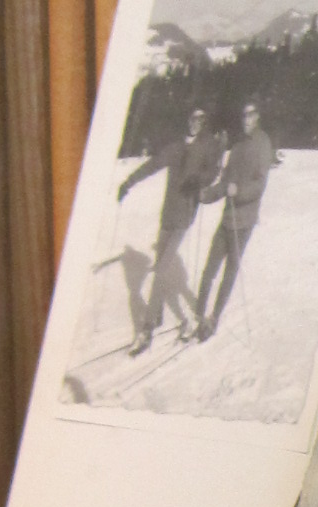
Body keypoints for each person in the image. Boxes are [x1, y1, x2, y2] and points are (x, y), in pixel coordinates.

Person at [118, 105, 219, 351]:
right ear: (188, 120)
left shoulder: (205, 147)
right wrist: (128, 182)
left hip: (184, 218)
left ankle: (147, 329)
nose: (195, 123)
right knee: (159, 266)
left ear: (204, 123)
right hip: (168, 216)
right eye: (193, 118)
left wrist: (200, 181)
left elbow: (212, 172)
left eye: (200, 120)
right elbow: (152, 165)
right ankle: (157, 314)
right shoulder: (176, 147)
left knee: (161, 269)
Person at [193, 101, 280, 340]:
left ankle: (213, 318)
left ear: (258, 116)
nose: (246, 119)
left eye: (250, 114)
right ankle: (198, 315)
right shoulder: (238, 145)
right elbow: (225, 182)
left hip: (244, 222)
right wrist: (207, 195)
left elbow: (259, 185)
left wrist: (238, 191)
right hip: (227, 218)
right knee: (209, 269)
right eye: (243, 115)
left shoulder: (263, 143)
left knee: (229, 271)